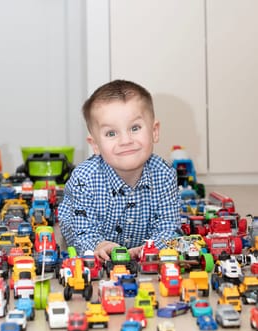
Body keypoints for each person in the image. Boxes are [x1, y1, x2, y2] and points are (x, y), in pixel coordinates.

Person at [58, 79, 181, 261]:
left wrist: (152, 247)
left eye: (135, 128)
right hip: (92, 234)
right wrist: (97, 245)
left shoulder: (164, 174)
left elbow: (169, 226)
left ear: (154, 131)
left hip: (143, 244)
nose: (125, 141)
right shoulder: (84, 179)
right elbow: (81, 230)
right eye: (111, 133)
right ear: (95, 144)